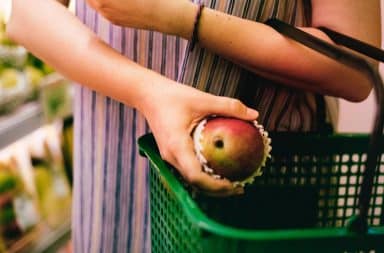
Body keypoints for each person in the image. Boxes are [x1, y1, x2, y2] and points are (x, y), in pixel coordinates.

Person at [6, 0, 380, 252]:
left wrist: (177, 17)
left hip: (263, 179)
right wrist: (149, 92)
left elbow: (354, 67)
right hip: (113, 168)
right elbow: (28, 13)